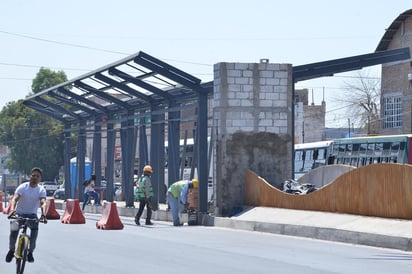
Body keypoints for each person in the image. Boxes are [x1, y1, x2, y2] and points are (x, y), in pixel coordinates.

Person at [5, 167, 48, 263]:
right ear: (30, 176)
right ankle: (11, 251)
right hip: (19, 214)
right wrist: (12, 210)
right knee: (13, 232)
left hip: (32, 216)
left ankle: (30, 253)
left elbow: (43, 202)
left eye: (37, 176)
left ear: (40, 179)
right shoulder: (23, 187)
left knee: (34, 233)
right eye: (33, 175)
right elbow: (15, 199)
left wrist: (44, 215)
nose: (35, 178)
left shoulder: (41, 190)